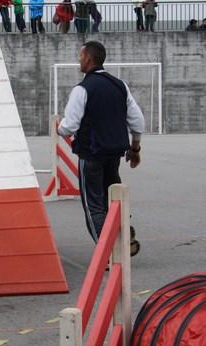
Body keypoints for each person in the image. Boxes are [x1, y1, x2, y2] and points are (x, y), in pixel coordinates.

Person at [57, 41, 144, 255]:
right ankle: (124, 232)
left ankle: (109, 254)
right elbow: (137, 120)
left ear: (88, 58)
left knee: (93, 205)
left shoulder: (82, 89)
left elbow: (69, 127)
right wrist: (135, 150)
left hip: (91, 154)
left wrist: (59, 129)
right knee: (113, 200)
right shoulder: (119, 85)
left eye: (80, 55)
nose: (79, 59)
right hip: (115, 153)